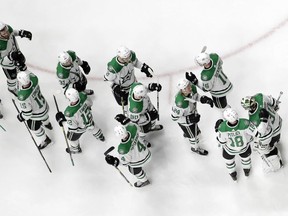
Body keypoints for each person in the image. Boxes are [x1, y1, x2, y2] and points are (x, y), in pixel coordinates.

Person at [241, 93, 283, 173]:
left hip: (274, 132)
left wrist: (261, 145)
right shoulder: (260, 97)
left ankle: (277, 163)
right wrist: (274, 106)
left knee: (264, 148)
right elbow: (273, 101)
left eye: (252, 102)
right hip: (278, 121)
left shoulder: (253, 120)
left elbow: (262, 133)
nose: (253, 104)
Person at [171, 77, 214, 155]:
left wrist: (204, 99)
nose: (190, 87)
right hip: (187, 123)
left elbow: (195, 97)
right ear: (183, 90)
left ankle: (186, 133)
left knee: (193, 130)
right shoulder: (180, 102)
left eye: (189, 85)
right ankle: (195, 148)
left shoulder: (192, 89)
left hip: (192, 115)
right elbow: (174, 118)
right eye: (187, 87)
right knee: (194, 137)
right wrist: (189, 119)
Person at [105, 116, 151, 187]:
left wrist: (114, 161)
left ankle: (144, 181)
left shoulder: (123, 148)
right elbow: (135, 126)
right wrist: (126, 121)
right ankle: (145, 142)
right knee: (139, 138)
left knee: (133, 170)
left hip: (139, 161)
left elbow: (125, 163)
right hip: (147, 153)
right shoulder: (132, 128)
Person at [104, 46, 153, 112]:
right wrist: (115, 87)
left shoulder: (130, 57)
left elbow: (136, 62)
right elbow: (106, 79)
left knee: (139, 101)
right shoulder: (114, 67)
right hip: (122, 90)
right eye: (127, 58)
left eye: (130, 56)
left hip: (133, 85)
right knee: (127, 108)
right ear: (121, 57)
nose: (130, 59)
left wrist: (143, 67)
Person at [55, 88, 105, 154]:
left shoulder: (69, 112)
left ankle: (75, 150)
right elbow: (90, 103)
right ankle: (100, 136)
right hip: (89, 121)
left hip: (81, 128)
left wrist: (62, 121)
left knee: (71, 138)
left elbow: (72, 128)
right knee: (92, 126)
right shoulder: (83, 96)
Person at [215, 108, 259, 181]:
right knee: (246, 161)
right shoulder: (245, 123)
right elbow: (256, 133)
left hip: (229, 150)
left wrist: (217, 130)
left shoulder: (222, 127)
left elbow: (221, 141)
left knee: (229, 163)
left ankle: (233, 176)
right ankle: (247, 172)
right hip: (244, 148)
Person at [16, 68, 53, 149]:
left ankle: (45, 140)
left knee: (34, 128)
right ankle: (47, 124)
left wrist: (21, 116)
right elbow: (29, 72)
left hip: (36, 115)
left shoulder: (23, 96)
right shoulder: (34, 79)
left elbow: (27, 114)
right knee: (45, 116)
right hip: (44, 105)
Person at [0, 21, 32, 96]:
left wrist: (21, 33)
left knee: (22, 68)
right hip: (8, 65)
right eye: (2, 31)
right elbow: (1, 61)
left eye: (5, 29)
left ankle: (25, 81)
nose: (5, 32)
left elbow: (13, 33)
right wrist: (10, 57)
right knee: (12, 78)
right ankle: (12, 89)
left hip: (17, 54)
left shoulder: (9, 29)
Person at [127, 82, 163, 147]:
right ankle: (140, 140)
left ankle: (152, 127)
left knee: (154, 117)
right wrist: (148, 116)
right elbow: (135, 120)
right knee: (143, 132)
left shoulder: (135, 87)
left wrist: (151, 87)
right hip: (143, 117)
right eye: (142, 96)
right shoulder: (134, 108)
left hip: (148, 107)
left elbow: (144, 89)